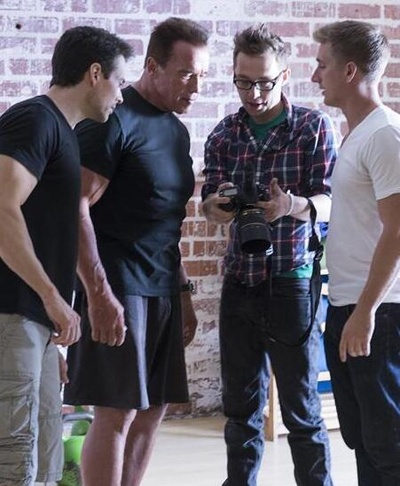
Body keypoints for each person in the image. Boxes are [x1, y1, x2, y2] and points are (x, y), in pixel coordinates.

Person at [63, 17, 209, 486]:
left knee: (153, 409)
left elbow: (167, 223)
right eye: (186, 74)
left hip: (162, 287)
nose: (196, 87)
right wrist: (99, 295)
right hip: (119, 285)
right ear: (151, 66)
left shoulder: (176, 131)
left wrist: (182, 292)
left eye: (202, 75)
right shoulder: (113, 120)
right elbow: (73, 207)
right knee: (117, 412)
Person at [202, 24, 338, 486]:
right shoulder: (225, 134)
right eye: (244, 82)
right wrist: (218, 206)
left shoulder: (313, 128)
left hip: (291, 281)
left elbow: (331, 201)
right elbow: (208, 204)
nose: (255, 94)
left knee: (301, 411)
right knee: (240, 410)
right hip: (240, 280)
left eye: (264, 82)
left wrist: (291, 205)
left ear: (284, 76)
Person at [0, 26, 132, 486]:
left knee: (44, 460)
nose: (121, 95)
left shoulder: (64, 132)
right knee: (15, 459)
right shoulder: (34, 120)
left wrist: (49, 329)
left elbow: (43, 231)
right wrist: (52, 299)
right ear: (95, 74)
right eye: (118, 81)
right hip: (12, 314)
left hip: (32, 323)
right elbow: (1, 209)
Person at [312, 20, 400, 485]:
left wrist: (365, 312)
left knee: (388, 446)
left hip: (380, 312)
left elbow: (397, 231)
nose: (315, 76)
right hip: (349, 305)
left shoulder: (385, 135)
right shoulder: (357, 135)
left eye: (321, 65)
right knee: (363, 438)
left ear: (349, 71)